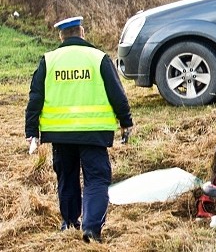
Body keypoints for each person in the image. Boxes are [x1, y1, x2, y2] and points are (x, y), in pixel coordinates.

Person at [25, 16, 134, 243]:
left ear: (61, 36)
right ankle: (91, 229)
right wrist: (126, 122)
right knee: (96, 179)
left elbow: (35, 98)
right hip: (94, 133)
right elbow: (118, 94)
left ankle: (69, 223)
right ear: (82, 32)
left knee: (67, 177)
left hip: (60, 134)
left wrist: (32, 132)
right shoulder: (99, 58)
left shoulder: (49, 60)